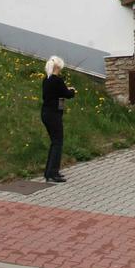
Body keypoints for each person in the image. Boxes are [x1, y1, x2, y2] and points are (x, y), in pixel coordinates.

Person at [41, 55, 76, 183]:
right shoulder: (57, 80)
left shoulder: (46, 79)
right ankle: (53, 173)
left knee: (54, 142)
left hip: (45, 113)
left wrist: (65, 91)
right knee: (58, 143)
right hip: (53, 115)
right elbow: (67, 94)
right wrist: (72, 91)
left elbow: (56, 93)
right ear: (57, 67)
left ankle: (48, 172)